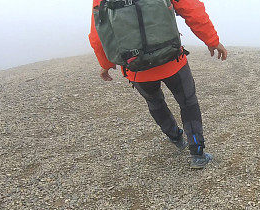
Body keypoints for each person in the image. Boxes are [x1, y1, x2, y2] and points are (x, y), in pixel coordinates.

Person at [89, 0, 227, 169]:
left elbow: (97, 34)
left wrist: (106, 63)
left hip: (136, 68)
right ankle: (197, 154)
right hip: (173, 61)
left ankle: (176, 137)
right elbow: (192, 10)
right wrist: (212, 40)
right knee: (188, 102)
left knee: (155, 102)